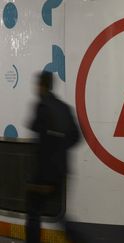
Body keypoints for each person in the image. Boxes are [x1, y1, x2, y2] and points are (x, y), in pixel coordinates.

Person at [26, 71, 83, 243]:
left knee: (34, 211)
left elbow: (39, 133)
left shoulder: (42, 106)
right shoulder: (64, 107)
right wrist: (61, 149)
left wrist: (41, 180)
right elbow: (76, 136)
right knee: (60, 216)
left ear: (40, 86)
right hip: (62, 170)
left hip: (45, 173)